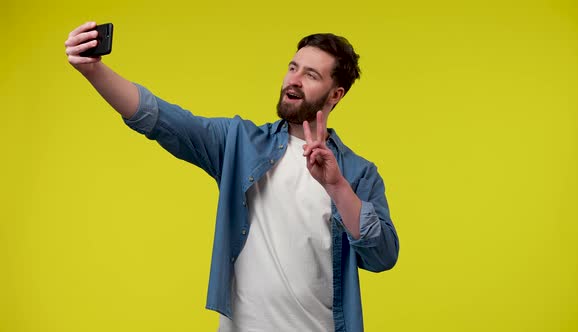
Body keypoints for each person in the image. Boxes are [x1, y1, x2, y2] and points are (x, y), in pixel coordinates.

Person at [65, 21, 400, 332]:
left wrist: (337, 187)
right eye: (292, 68)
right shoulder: (239, 143)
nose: (293, 80)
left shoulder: (358, 173)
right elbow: (159, 118)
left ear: (335, 94)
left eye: (311, 75)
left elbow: (382, 256)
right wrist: (93, 70)